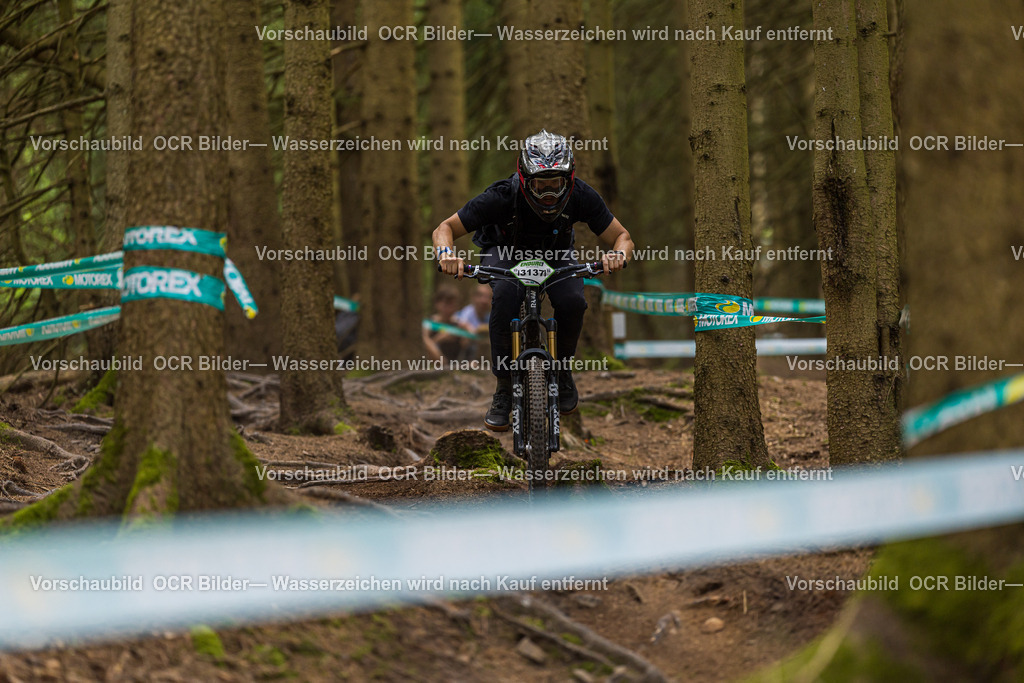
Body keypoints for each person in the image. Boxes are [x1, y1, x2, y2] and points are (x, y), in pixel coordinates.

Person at [433, 130, 633, 431]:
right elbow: (444, 229)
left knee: (573, 301)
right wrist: (447, 254)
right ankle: (503, 387)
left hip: (555, 254)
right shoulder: (501, 195)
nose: (549, 193)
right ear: (526, 179)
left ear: (569, 179)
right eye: (541, 184)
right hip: (505, 252)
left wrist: (617, 254)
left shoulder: (581, 195)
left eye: (556, 184)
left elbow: (622, 236)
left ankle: (562, 371)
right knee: (505, 296)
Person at [423, 285, 466, 363]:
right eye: (447, 304)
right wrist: (439, 339)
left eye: (453, 304)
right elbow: (424, 345)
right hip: (436, 363)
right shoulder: (429, 323)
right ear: (437, 304)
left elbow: (465, 347)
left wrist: (466, 335)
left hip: (456, 362)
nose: (450, 308)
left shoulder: (459, 324)